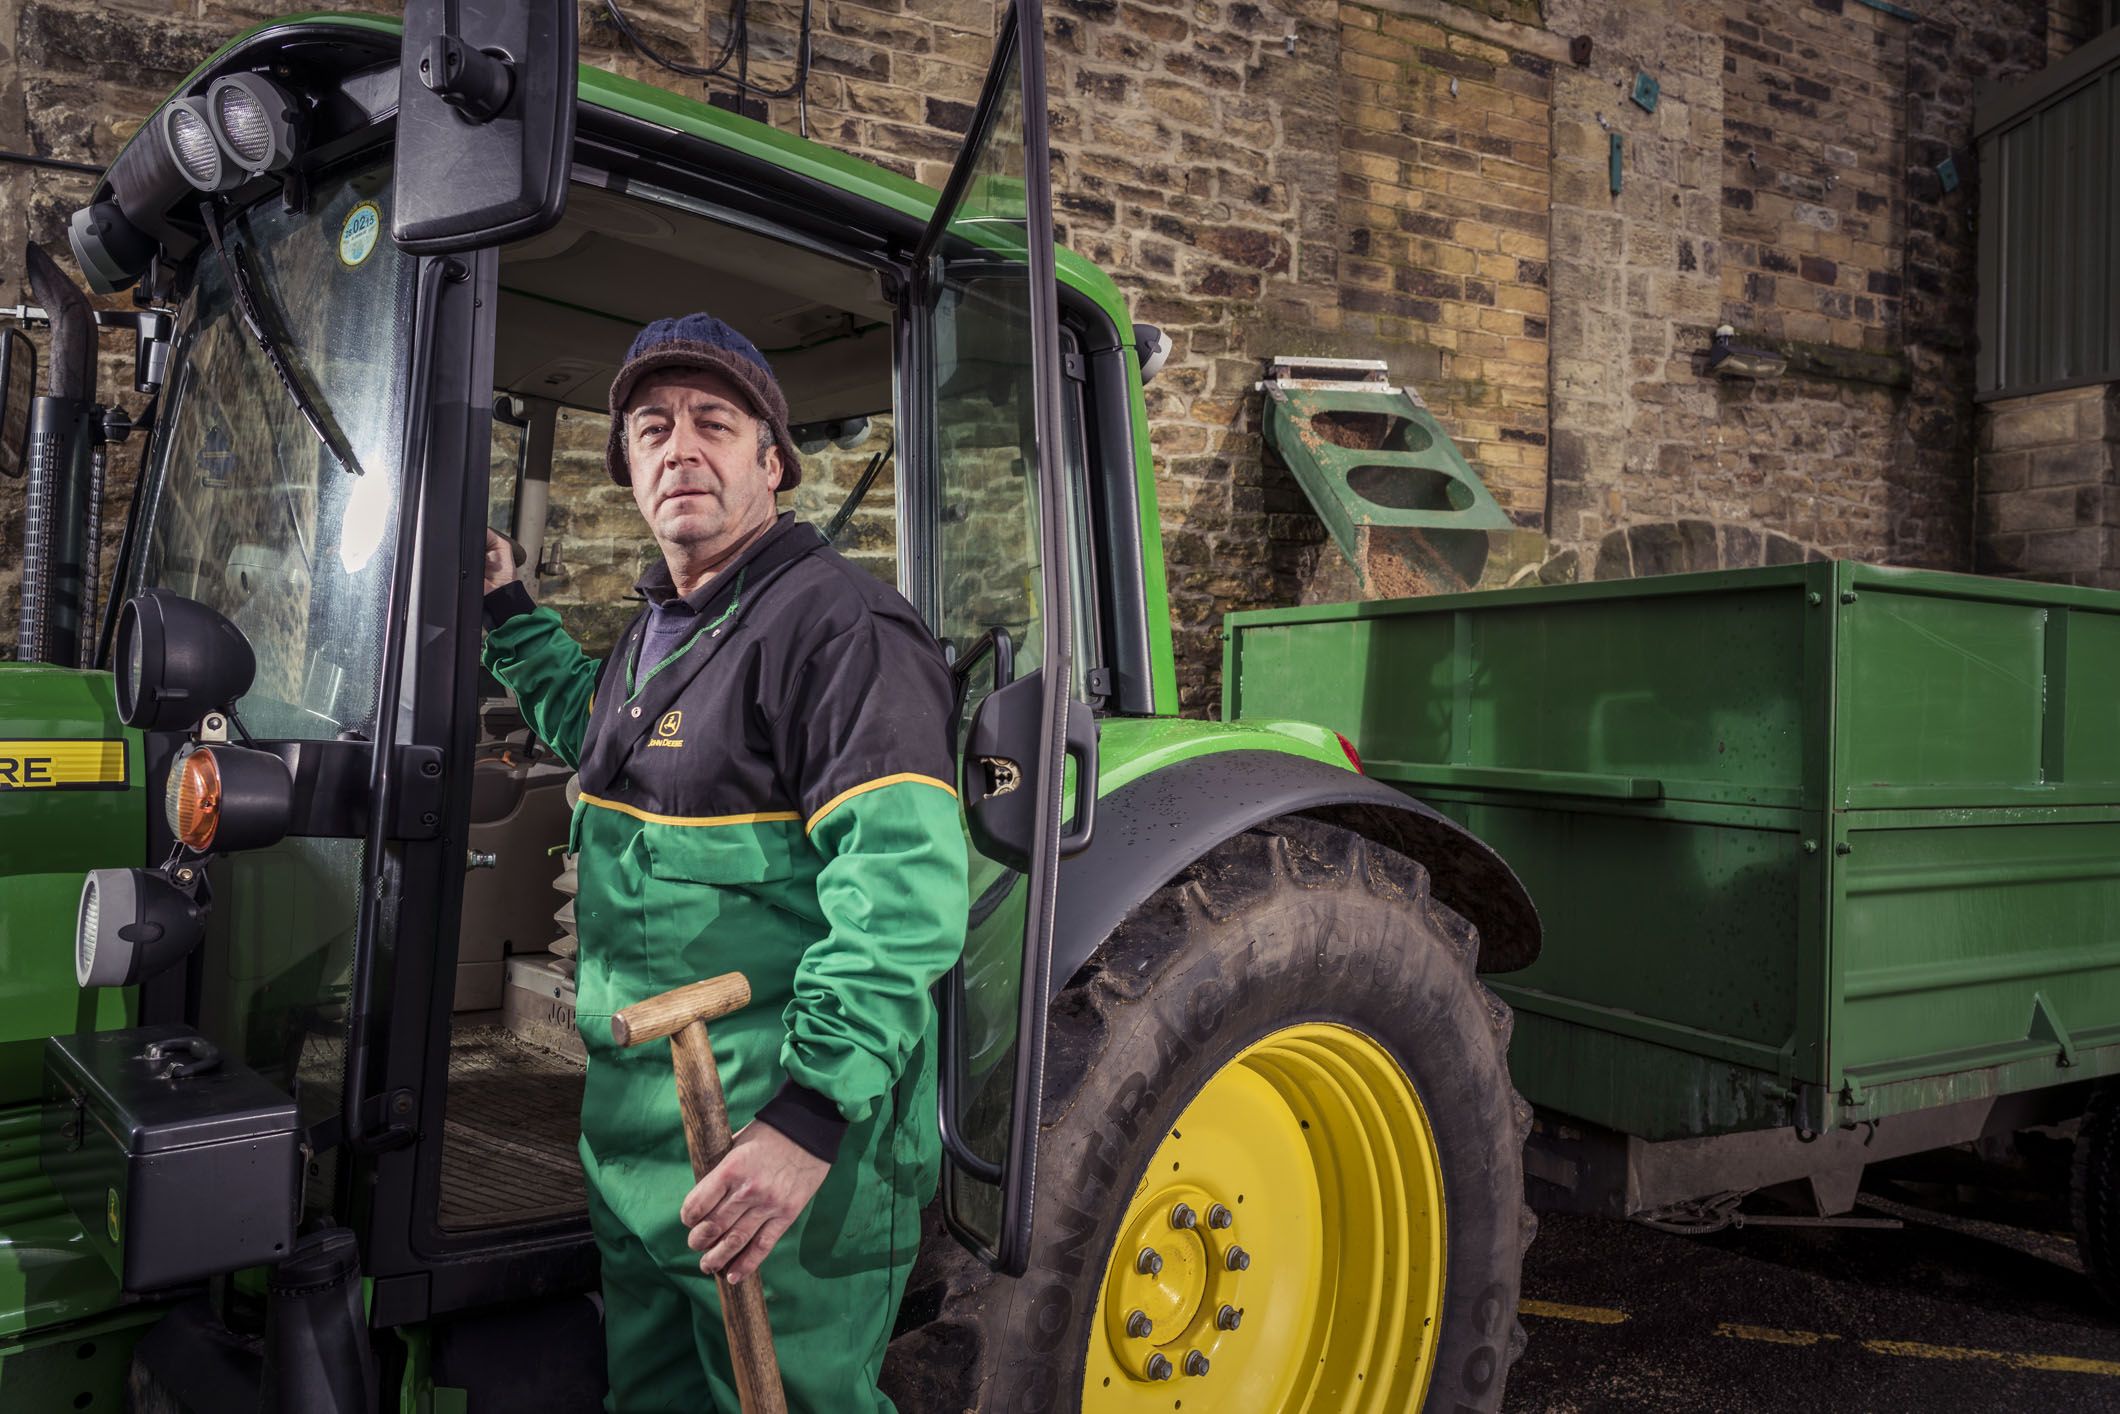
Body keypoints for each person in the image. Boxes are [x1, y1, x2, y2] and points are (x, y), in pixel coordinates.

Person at [479, 313, 968, 1412]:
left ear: (771, 462)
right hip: (644, 1139)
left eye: (712, 421)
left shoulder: (839, 628)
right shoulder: (663, 628)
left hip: (771, 1148)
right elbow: (591, 729)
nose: (678, 448)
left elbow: (899, 895)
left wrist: (805, 1123)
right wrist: (505, 603)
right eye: (651, 429)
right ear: (629, 473)